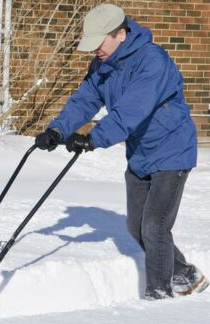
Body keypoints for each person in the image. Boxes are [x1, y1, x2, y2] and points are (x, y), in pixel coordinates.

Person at [34, 3, 207, 299]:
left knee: (154, 227)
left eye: (98, 43)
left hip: (172, 150)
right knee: (136, 227)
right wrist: (58, 130)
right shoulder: (102, 65)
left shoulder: (153, 61)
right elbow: (85, 100)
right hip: (140, 153)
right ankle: (185, 273)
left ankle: (159, 296)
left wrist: (93, 138)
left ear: (120, 34)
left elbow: (132, 110)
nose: (94, 51)